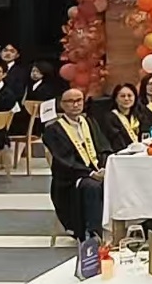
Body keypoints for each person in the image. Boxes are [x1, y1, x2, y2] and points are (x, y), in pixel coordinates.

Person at [45, 88, 113, 241]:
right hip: (70, 177)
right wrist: (90, 173)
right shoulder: (53, 129)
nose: (75, 105)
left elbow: (104, 147)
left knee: (119, 181)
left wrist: (103, 167)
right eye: (70, 101)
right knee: (92, 186)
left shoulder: (89, 122)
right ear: (62, 104)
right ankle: (92, 234)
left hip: (96, 171)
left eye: (79, 101)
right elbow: (65, 161)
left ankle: (119, 229)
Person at [97, 81, 147, 148]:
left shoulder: (138, 115)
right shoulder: (110, 118)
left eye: (129, 96)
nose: (126, 99)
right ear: (116, 99)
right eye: (122, 96)